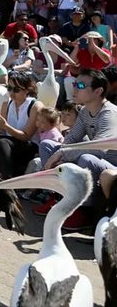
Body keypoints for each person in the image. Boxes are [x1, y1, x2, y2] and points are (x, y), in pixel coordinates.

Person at [39, 69, 117, 229]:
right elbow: (71, 139)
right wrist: (60, 152)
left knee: (85, 158)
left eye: (80, 85)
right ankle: (57, 197)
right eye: (75, 83)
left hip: (110, 166)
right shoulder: (84, 111)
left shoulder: (109, 114)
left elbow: (98, 150)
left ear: (98, 91)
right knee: (47, 145)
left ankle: (83, 211)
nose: (74, 88)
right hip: (94, 157)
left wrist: (62, 154)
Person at [0, 71, 43, 179]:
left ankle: (6, 178)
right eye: (9, 88)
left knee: (2, 141)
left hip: (29, 146)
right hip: (9, 143)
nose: (12, 93)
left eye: (16, 90)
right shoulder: (7, 104)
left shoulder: (35, 106)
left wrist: (5, 126)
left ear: (27, 90)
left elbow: (26, 136)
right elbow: (2, 133)